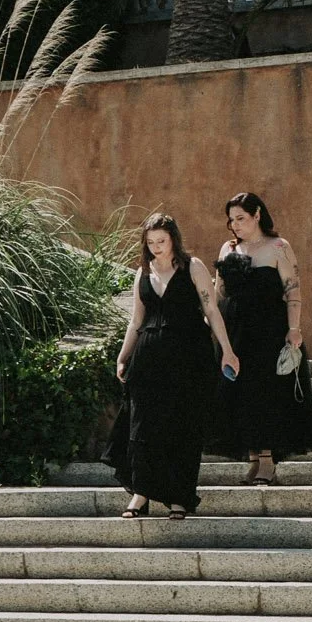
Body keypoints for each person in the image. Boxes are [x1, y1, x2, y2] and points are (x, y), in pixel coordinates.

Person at [109, 210, 240, 520]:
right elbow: (136, 319)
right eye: (151, 241)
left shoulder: (192, 267)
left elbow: (211, 309)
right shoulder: (142, 272)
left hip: (188, 358)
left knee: (183, 427)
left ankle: (179, 498)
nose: (157, 247)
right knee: (142, 426)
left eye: (162, 241)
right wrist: (123, 356)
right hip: (149, 358)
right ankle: (140, 496)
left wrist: (227, 350)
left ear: (173, 240)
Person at [212, 191, 312, 482]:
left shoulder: (278, 246)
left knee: (266, 391)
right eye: (232, 220)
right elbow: (218, 292)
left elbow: (292, 290)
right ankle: (252, 457)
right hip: (234, 331)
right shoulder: (227, 249)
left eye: (241, 218)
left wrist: (294, 328)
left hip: (268, 330)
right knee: (238, 392)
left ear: (257, 214)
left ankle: (267, 460)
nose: (235, 225)